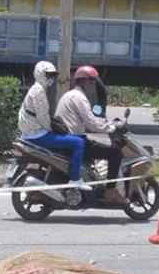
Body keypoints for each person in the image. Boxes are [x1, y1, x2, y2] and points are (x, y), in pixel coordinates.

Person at [55, 65, 127, 204]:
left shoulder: (70, 95)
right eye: (92, 81)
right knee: (115, 153)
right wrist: (111, 127)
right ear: (83, 81)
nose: (94, 85)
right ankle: (110, 190)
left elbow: (86, 122)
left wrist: (103, 125)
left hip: (68, 138)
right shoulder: (80, 98)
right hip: (75, 140)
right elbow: (92, 123)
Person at [17, 60, 87, 187]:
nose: (51, 78)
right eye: (48, 75)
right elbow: (43, 117)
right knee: (79, 142)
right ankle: (75, 179)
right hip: (37, 135)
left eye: (53, 75)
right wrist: (53, 130)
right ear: (40, 74)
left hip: (31, 133)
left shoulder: (36, 89)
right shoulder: (38, 91)